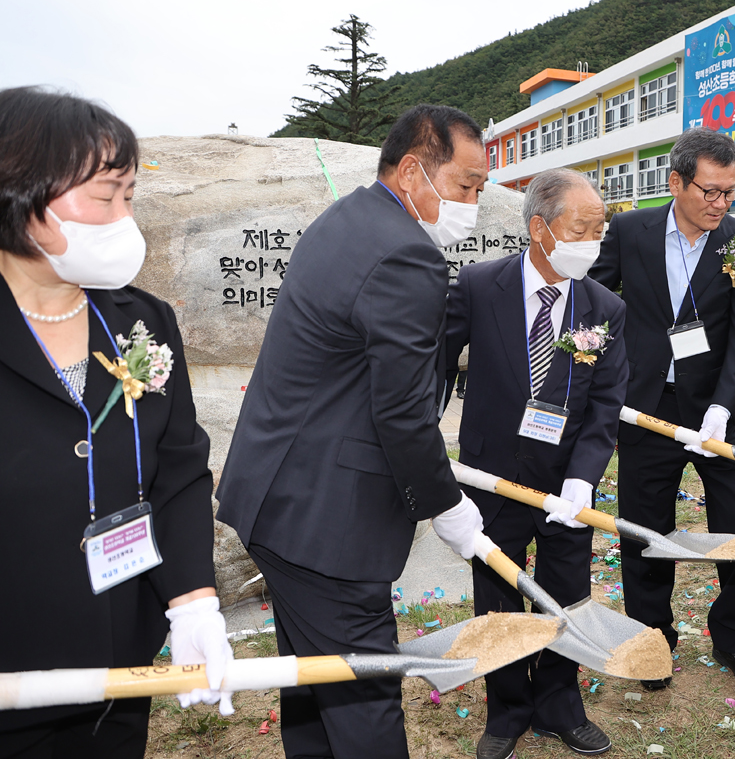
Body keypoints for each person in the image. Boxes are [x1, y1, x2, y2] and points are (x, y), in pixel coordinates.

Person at [215, 105, 487, 758]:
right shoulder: (406, 254)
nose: (473, 204)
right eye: (465, 186)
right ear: (415, 171)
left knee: (311, 680)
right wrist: (446, 504)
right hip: (325, 528)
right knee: (364, 701)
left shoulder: (348, 219)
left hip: (278, 502)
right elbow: (400, 412)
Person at [0, 87, 231, 757]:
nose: (123, 217)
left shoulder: (142, 321)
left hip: (117, 663)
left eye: (130, 196)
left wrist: (192, 604)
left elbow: (180, 471)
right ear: (20, 193)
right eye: (105, 197)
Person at [445, 168, 628, 759]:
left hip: (565, 480)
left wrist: (583, 477)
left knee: (566, 591)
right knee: (497, 592)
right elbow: (437, 368)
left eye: (600, 230)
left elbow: (606, 402)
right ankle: (506, 711)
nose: (593, 241)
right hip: (492, 474)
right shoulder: (478, 285)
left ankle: (558, 703)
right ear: (539, 229)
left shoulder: (604, 307)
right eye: (582, 228)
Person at [590, 129, 735, 693]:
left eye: (730, 192)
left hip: (717, 413)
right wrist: (604, 381)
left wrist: (723, 404)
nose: (720, 204)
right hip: (647, 410)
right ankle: (654, 637)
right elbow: (595, 304)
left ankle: (733, 636)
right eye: (709, 191)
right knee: (646, 531)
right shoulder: (629, 231)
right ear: (676, 182)